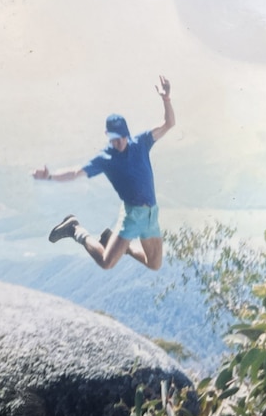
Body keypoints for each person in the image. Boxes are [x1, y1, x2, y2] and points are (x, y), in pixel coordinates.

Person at [32, 75, 175, 271]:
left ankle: (121, 246)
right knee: (106, 263)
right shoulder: (106, 158)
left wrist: (166, 99)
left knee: (155, 264)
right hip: (133, 215)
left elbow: (169, 123)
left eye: (120, 138)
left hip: (151, 213)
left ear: (127, 134)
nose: (117, 143)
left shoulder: (141, 143)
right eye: (113, 139)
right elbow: (76, 173)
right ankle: (75, 229)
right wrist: (49, 176)